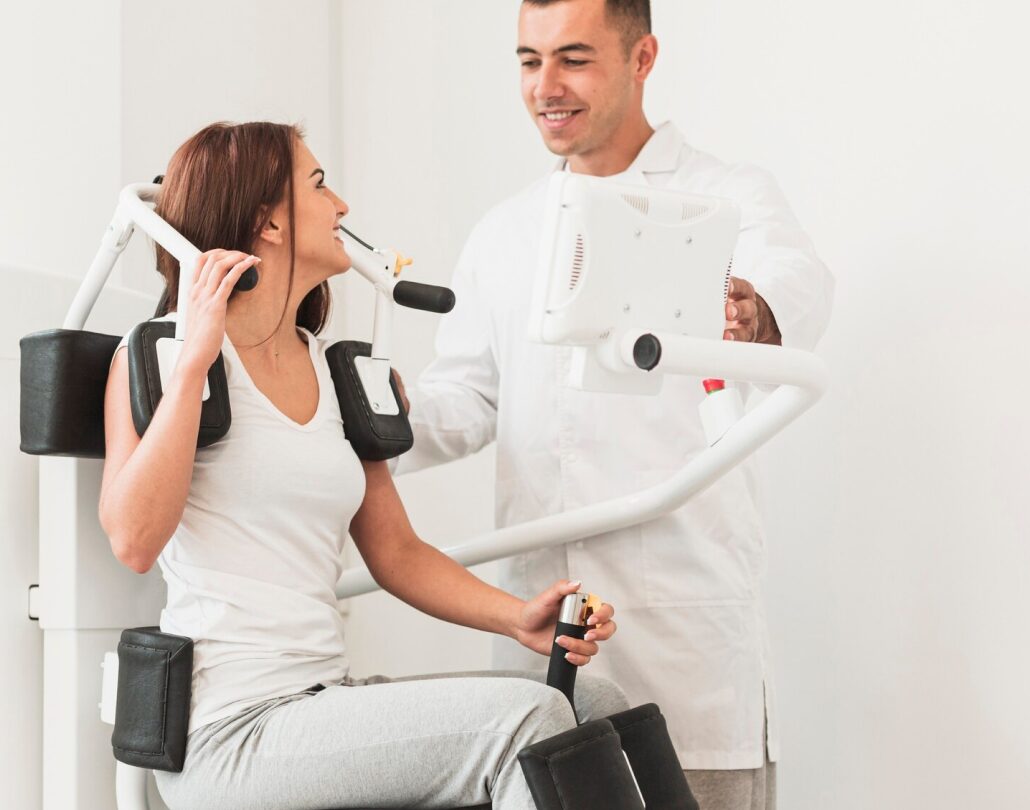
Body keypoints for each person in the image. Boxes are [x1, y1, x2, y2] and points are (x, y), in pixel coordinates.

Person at [98, 121, 629, 810]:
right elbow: (134, 541)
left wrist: (516, 618)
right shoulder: (163, 356)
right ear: (269, 223)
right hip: (229, 731)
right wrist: (198, 357)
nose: (342, 206)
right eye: (319, 186)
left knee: (598, 705)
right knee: (527, 721)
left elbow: (397, 552)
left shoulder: (335, 372)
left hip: (322, 701)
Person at [393, 2, 835, 808]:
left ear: (642, 58)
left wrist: (752, 307)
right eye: (529, 61)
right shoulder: (505, 232)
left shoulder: (723, 196)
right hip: (541, 638)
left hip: (684, 638)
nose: (545, 87)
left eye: (574, 59)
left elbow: (795, 283)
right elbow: (464, 400)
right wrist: (366, 417)